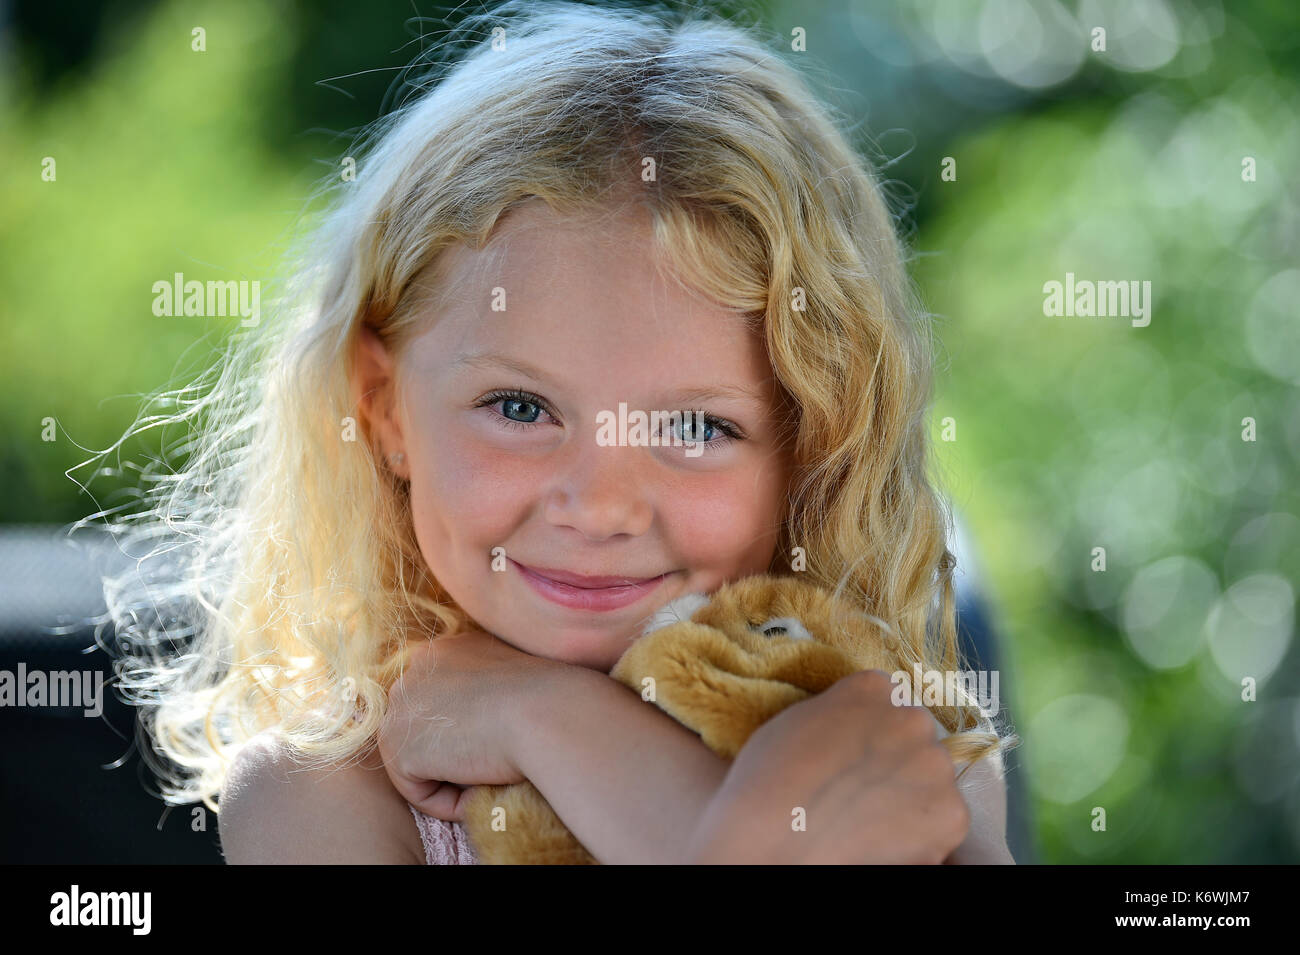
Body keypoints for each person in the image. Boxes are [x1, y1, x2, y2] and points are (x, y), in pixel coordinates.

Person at [96, 0, 1018, 865]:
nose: (602, 505)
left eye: (697, 425)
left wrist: (549, 717)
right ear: (380, 406)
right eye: (522, 408)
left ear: (816, 441)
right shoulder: (326, 794)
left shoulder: (895, 735)